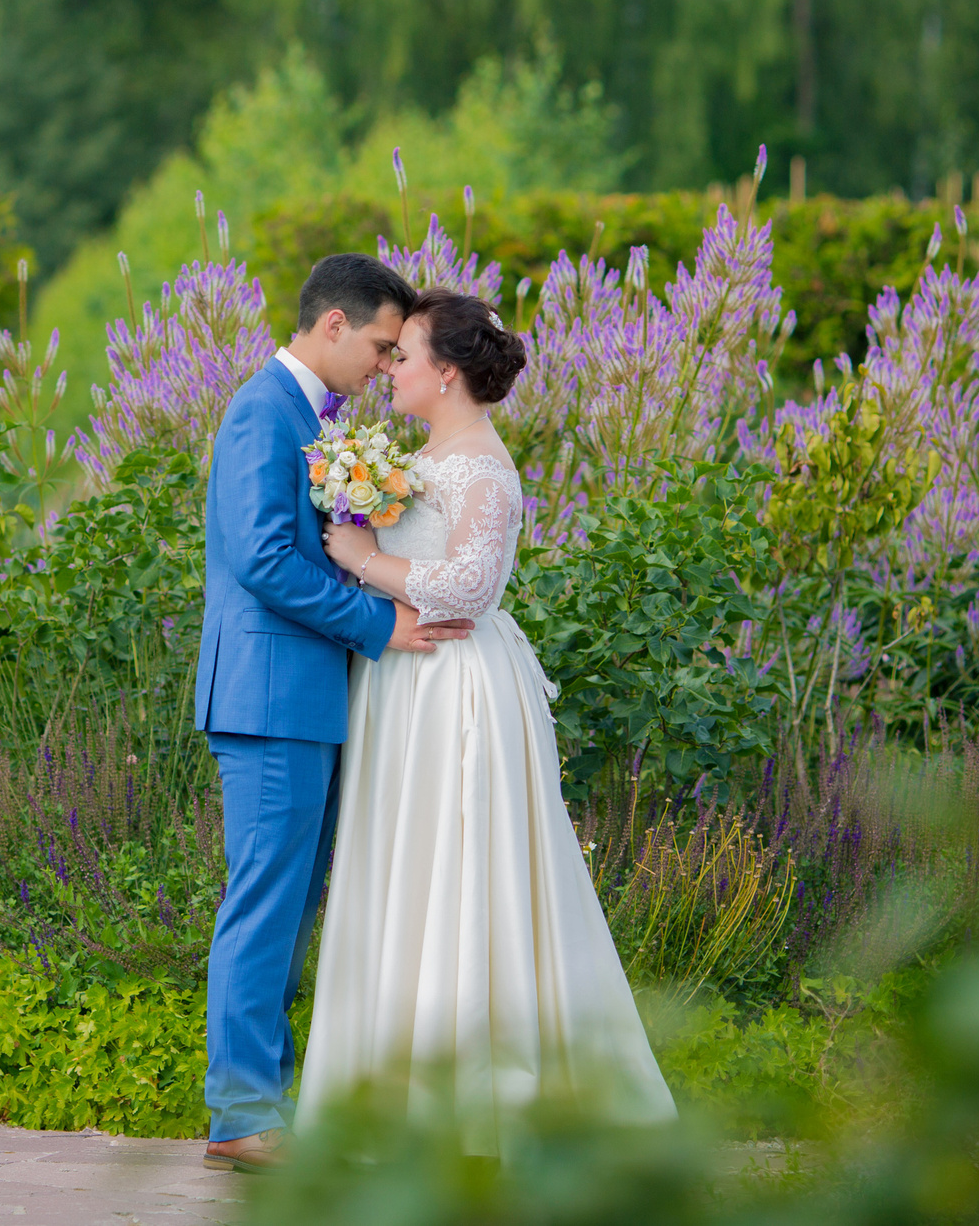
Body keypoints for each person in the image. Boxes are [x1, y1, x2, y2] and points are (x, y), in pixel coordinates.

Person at [302, 288, 675, 1150]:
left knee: (459, 862)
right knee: (401, 860)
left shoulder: (485, 468)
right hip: (404, 681)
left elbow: (470, 587)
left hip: (455, 685)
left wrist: (366, 557)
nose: (391, 366)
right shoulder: (421, 456)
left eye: (408, 353)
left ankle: (473, 1097)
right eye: (390, 353)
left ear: (448, 371)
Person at [197, 253, 475, 1175]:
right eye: (380, 345)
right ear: (331, 326)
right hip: (270, 698)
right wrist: (379, 623)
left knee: (290, 899)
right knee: (266, 902)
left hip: (302, 697)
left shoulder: (304, 418)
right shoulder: (261, 413)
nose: (384, 365)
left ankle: (262, 1107)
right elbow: (267, 562)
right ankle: (240, 1113)